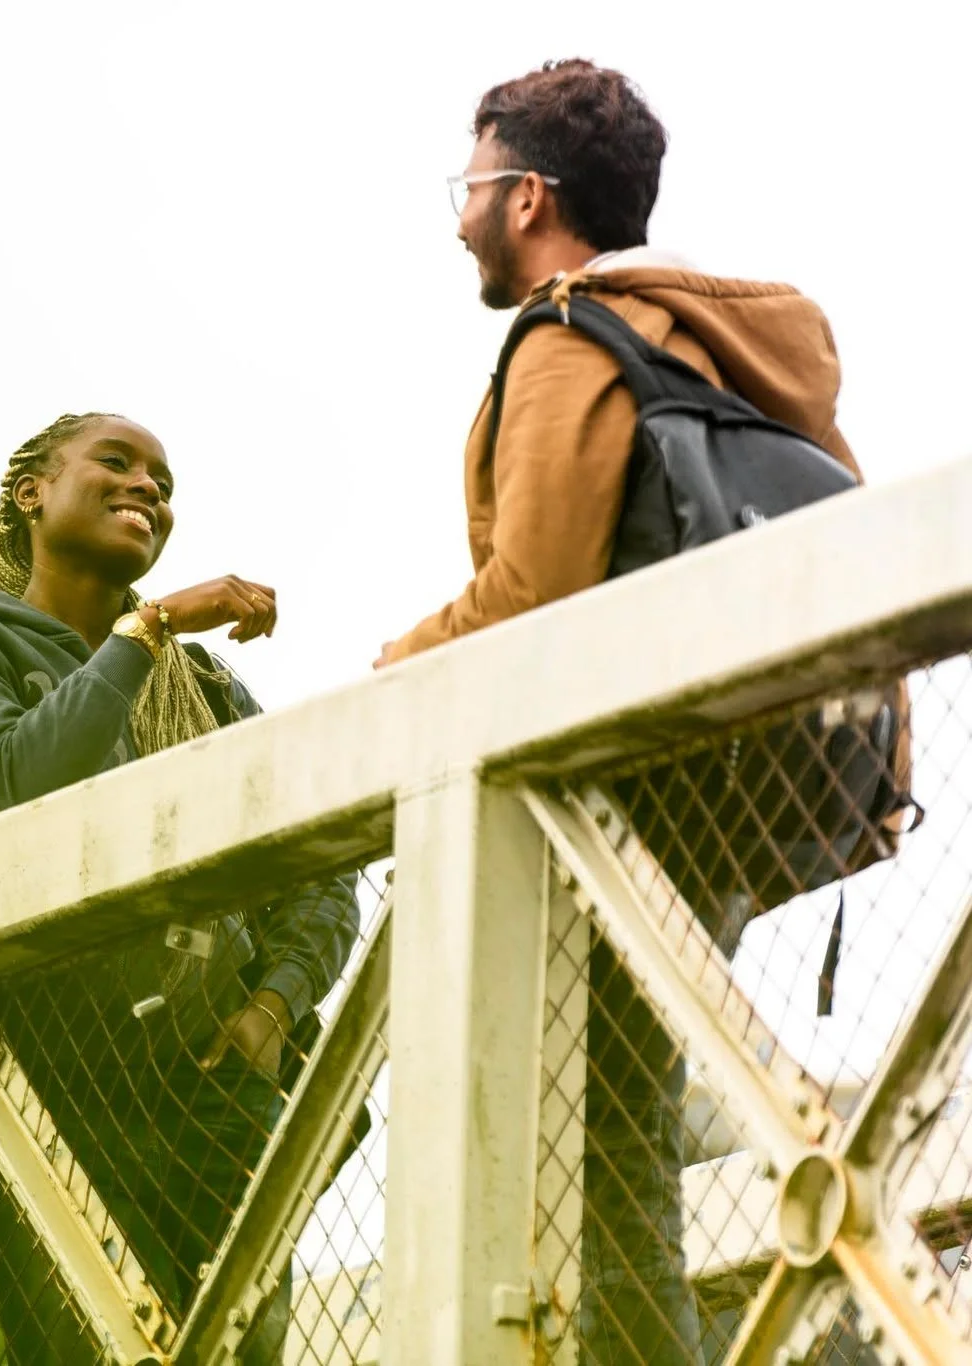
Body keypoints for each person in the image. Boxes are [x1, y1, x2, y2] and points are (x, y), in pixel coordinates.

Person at [379, 60, 878, 1364]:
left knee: (598, 1149)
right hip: (765, 763)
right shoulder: (716, 337)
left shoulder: (563, 336)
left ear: (527, 196)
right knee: (635, 1119)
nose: (458, 218)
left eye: (471, 186)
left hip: (632, 784)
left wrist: (388, 672)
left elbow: (531, 590)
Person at [0, 412, 360, 1364]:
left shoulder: (208, 690)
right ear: (31, 492)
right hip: (41, 1079)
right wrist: (147, 628)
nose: (149, 488)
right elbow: (23, 774)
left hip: (207, 1092)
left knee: (237, 1351)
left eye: (163, 480)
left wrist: (271, 1010)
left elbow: (321, 858)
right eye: (118, 463)